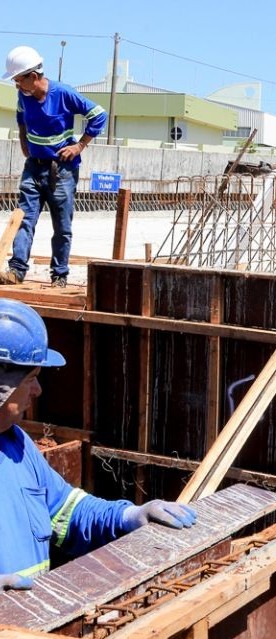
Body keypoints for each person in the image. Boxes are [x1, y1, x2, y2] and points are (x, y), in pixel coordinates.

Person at [0, 298, 196, 590]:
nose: (38, 390)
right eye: (31, 378)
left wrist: (129, 516)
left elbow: (68, 512)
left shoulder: (17, 446)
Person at [0, 46, 108, 288]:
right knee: (24, 218)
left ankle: (59, 275)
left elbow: (99, 114)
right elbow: (21, 118)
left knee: (62, 226)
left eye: (19, 80)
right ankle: (16, 270)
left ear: (34, 77)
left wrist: (79, 146)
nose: (17, 86)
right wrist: (23, 139)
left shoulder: (63, 94)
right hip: (33, 168)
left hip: (62, 171)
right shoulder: (23, 96)